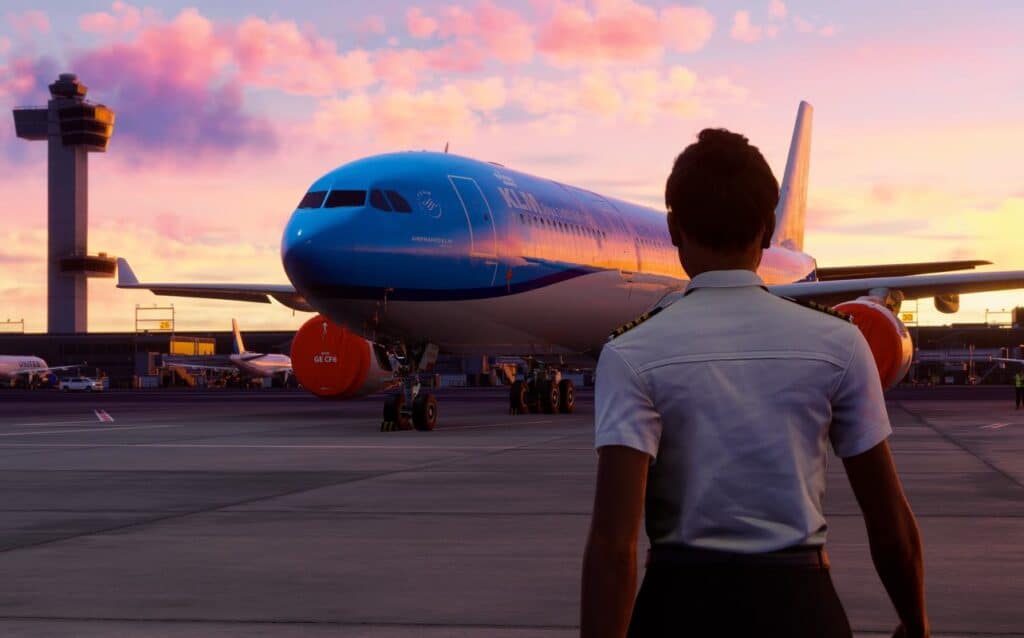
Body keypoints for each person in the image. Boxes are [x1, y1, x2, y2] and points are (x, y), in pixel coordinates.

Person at [580, 129, 929, 638]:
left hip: (677, 608)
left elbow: (613, 546)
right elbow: (890, 522)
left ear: (674, 231)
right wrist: (915, 623)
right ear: (767, 230)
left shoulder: (630, 353)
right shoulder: (839, 344)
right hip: (802, 607)